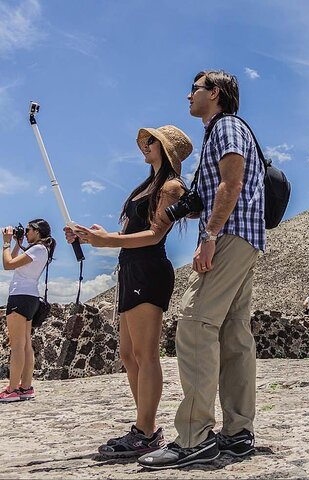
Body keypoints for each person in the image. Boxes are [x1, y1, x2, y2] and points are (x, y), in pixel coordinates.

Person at [138, 70, 265, 469]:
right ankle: (237, 432)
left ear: (214, 92)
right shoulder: (226, 131)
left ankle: (194, 438)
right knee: (233, 335)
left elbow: (232, 183)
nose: (187, 96)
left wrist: (208, 233)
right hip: (246, 237)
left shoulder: (225, 126)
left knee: (194, 325)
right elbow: (217, 189)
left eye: (193, 89)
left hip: (227, 235)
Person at [67, 126, 191, 455]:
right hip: (131, 270)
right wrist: (93, 235)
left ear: (164, 148)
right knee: (128, 354)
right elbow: (130, 233)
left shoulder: (171, 186)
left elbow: (153, 235)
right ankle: (144, 426)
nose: (144, 145)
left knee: (145, 354)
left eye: (151, 141)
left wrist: (107, 241)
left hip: (148, 269)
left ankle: (145, 431)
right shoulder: (147, 185)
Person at [0, 219, 54, 402]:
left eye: (29, 229)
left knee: (17, 345)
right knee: (25, 344)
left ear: (37, 232)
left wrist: (6, 243)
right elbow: (14, 262)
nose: (27, 232)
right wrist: (17, 244)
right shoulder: (39, 250)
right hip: (30, 298)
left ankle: (12, 390)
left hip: (20, 296)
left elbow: (7, 264)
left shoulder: (38, 249)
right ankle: (25, 387)